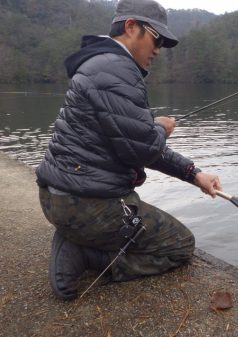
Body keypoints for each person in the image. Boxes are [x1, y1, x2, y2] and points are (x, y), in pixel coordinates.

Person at [35, 0, 222, 300]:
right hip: (87, 206)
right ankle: (83, 253)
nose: (158, 49)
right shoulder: (117, 70)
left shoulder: (102, 65)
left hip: (57, 199)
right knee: (180, 246)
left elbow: (134, 142)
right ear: (131, 26)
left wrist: (193, 173)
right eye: (156, 38)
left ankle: (77, 237)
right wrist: (161, 128)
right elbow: (145, 148)